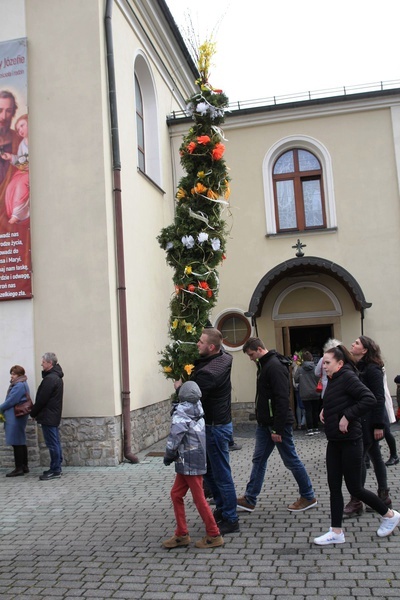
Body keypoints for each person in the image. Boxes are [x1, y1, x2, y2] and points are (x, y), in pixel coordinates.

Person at [313, 345, 400, 545]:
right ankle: (336, 532)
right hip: (334, 441)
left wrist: (347, 416)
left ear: (340, 363)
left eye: (327, 363)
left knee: (355, 487)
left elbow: (369, 398)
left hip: (351, 441)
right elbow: (339, 400)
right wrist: (326, 410)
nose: (324, 366)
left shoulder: (348, 377)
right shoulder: (334, 379)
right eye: (323, 362)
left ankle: (389, 515)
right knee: (334, 487)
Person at [237, 337, 317, 513]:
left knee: (291, 460)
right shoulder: (265, 365)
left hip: (276, 425)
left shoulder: (273, 366)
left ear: (259, 349)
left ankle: (308, 495)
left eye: (251, 354)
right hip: (265, 423)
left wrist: (277, 428)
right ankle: (250, 498)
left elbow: (282, 399)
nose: (250, 358)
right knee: (258, 460)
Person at [175, 328, 239, 535]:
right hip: (211, 426)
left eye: (201, 342)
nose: (197, 345)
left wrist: (179, 387)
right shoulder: (222, 357)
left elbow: (192, 396)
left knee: (221, 474)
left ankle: (231, 517)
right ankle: (221, 509)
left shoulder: (210, 373)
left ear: (211, 347)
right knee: (211, 472)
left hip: (215, 426)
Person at [162, 381, 224, 549]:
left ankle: (213, 533)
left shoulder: (181, 414)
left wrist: (168, 456)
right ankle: (181, 534)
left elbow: (174, 439)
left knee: (199, 499)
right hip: (191, 461)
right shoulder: (198, 409)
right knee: (176, 494)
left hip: (189, 462)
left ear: (181, 396)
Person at [343, 336, 391, 518]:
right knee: (375, 456)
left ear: (364, 350)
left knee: (359, 460)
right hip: (364, 420)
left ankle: (356, 500)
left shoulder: (372, 369)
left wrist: (379, 425)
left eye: (356, 343)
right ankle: (383, 496)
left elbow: (379, 398)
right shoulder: (360, 367)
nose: (352, 345)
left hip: (371, 422)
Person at [30, 352, 64, 480]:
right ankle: (56, 467)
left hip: (49, 415)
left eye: (43, 362)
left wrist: (33, 412)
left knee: (52, 443)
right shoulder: (55, 377)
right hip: (52, 415)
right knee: (55, 442)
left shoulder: (50, 379)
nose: (41, 364)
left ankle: (55, 470)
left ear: (50, 363)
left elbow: (42, 399)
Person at [0, 365, 30, 477]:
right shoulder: (21, 383)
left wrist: (0, 407)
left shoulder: (19, 385)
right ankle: (24, 466)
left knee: (16, 442)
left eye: (13, 374)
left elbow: (11, 400)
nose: (12, 376)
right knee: (20, 441)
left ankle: (19, 468)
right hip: (17, 415)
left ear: (19, 375)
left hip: (15, 415)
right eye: (11, 373)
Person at [1, 113, 30, 224]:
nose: (20, 130)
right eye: (18, 129)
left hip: (33, 172)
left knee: (20, 186)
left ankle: (17, 214)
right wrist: (10, 157)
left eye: (22, 125)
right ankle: (12, 212)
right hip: (23, 170)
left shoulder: (37, 140)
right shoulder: (22, 144)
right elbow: (20, 160)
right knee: (10, 187)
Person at [294, 350, 320, 436]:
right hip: (315, 392)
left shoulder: (300, 369)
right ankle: (316, 427)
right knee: (315, 410)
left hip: (305, 392)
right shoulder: (316, 367)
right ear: (311, 358)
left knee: (308, 411)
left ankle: (310, 429)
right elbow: (318, 378)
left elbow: (296, 379)